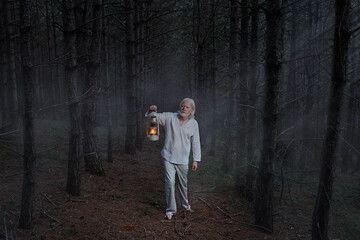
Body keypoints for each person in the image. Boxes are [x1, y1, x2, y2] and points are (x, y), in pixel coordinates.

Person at [145, 98, 201, 220]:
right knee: (170, 183)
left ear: (191, 110)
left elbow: (196, 142)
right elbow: (154, 117)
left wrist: (196, 160)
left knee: (183, 184)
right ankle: (171, 210)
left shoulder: (194, 124)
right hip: (168, 156)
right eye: (182, 106)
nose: (183, 108)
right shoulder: (170, 117)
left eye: (187, 107)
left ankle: (185, 205)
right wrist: (151, 111)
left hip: (183, 159)